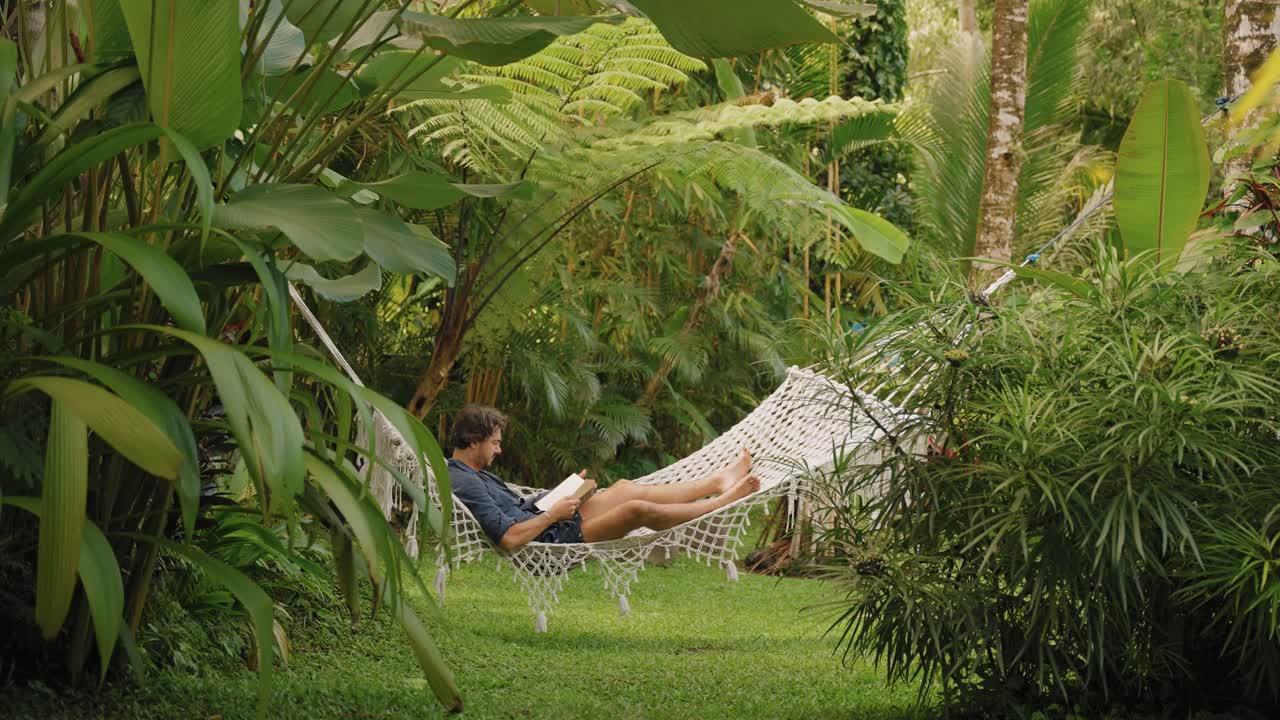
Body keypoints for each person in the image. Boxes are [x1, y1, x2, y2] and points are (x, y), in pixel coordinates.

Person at [446, 404, 760, 550]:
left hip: (547, 520)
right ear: (474, 440)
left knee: (624, 488)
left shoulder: (473, 473)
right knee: (635, 511)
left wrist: (563, 492)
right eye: (495, 443)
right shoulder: (465, 482)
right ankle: (724, 500)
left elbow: (518, 508)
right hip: (547, 541)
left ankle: (718, 482)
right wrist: (553, 514)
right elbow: (509, 538)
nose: (499, 451)